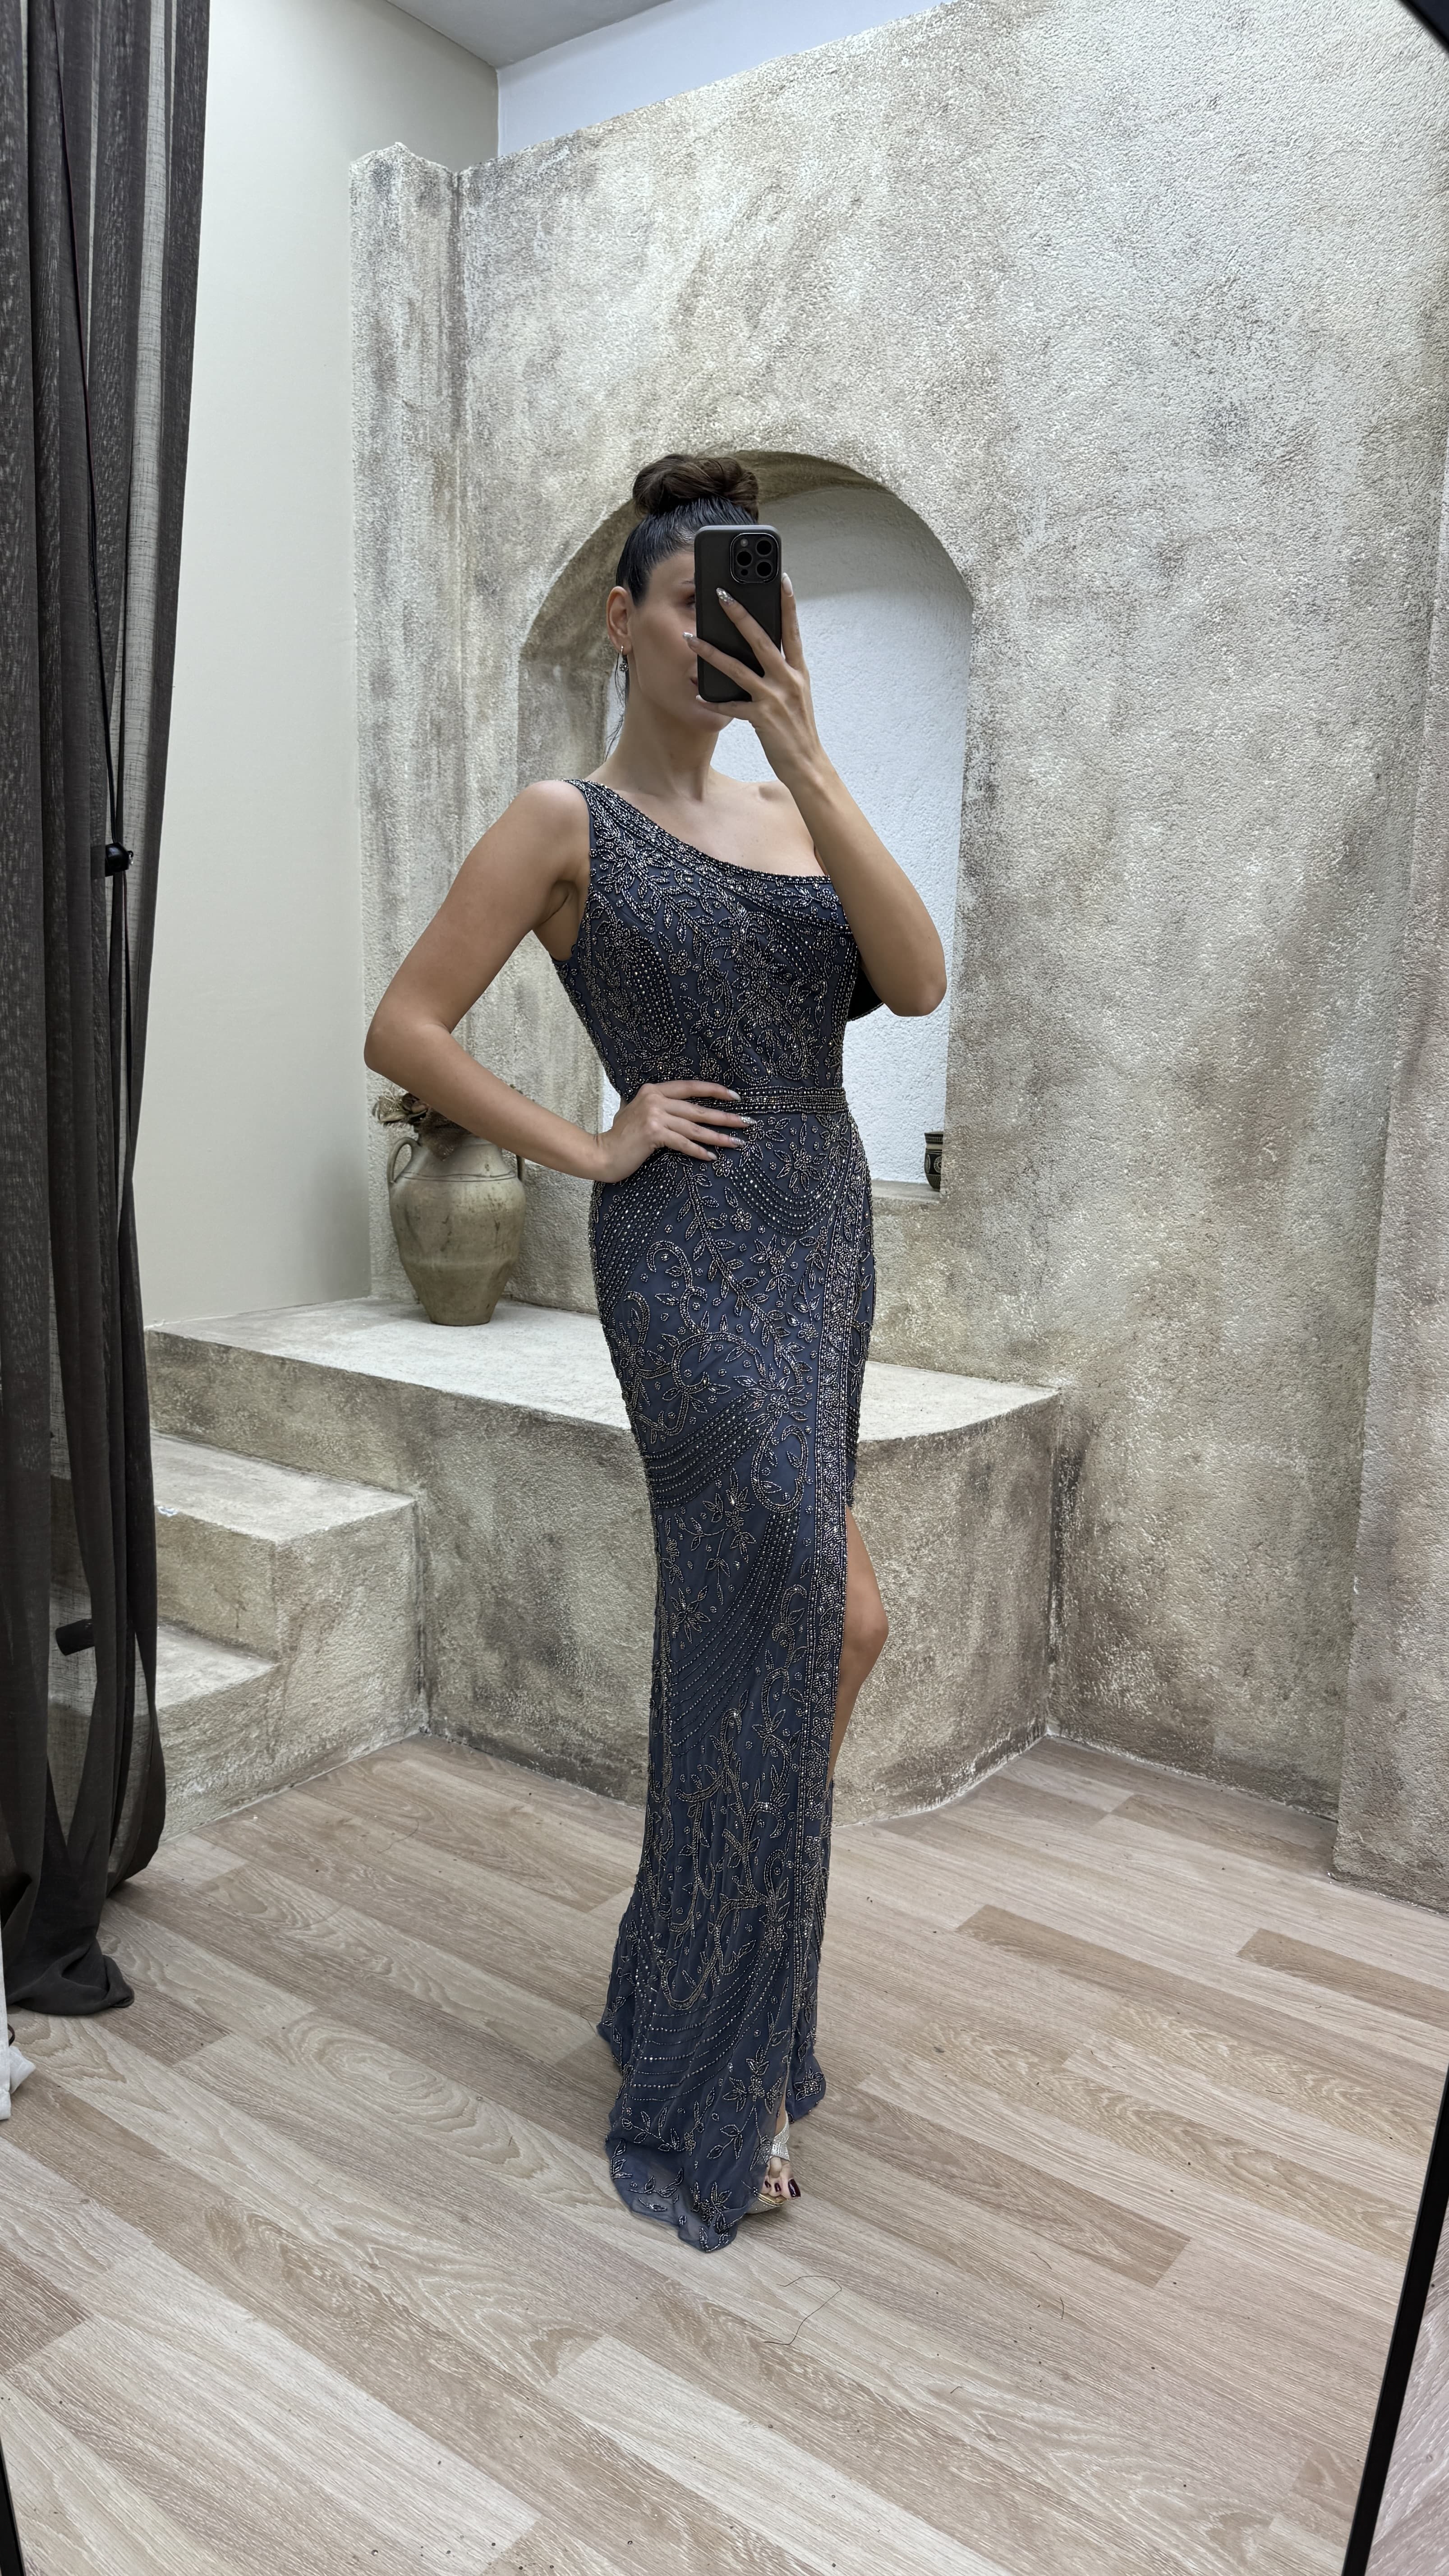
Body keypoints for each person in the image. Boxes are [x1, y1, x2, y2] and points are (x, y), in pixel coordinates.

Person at [364, 453, 947, 2249]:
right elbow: (405, 1025)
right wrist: (594, 1142)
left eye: (756, 605)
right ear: (626, 623)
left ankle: (693, 1954)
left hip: (822, 1239)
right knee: (789, 1610)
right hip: (686, 1252)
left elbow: (916, 981)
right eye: (700, 605)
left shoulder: (794, 809)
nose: (729, 634)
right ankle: (720, 2056)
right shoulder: (565, 823)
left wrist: (817, 758)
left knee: (837, 1626)